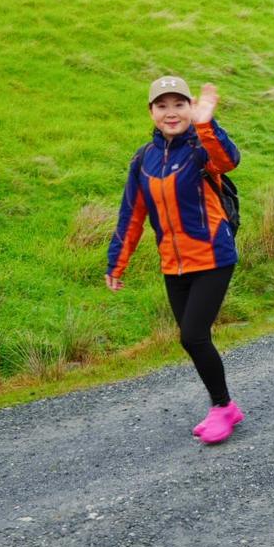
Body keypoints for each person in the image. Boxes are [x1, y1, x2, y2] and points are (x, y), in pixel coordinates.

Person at [106, 76, 243, 444]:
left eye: (179, 104)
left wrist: (206, 123)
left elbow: (229, 160)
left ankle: (222, 408)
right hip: (174, 263)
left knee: (193, 335)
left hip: (213, 256)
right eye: (162, 106)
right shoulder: (143, 158)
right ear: (151, 111)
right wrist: (117, 263)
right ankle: (223, 406)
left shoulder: (201, 146)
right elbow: (132, 214)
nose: (171, 113)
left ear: (189, 107)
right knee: (190, 339)